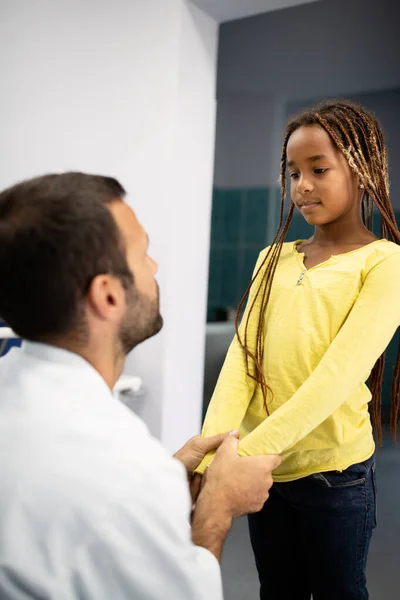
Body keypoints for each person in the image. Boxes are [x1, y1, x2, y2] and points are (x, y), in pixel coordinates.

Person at [0, 172, 281, 599]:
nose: (154, 267)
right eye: (144, 253)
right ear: (108, 295)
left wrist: (168, 475)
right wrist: (217, 508)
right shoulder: (127, 471)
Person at [195, 99, 400, 600]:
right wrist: (209, 457)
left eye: (318, 169)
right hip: (264, 477)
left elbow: (336, 377)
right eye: (292, 173)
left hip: (334, 477)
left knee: (339, 592)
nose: (302, 185)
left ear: (364, 169)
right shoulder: (273, 258)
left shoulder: (385, 263)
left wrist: (243, 455)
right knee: (277, 590)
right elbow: (242, 363)